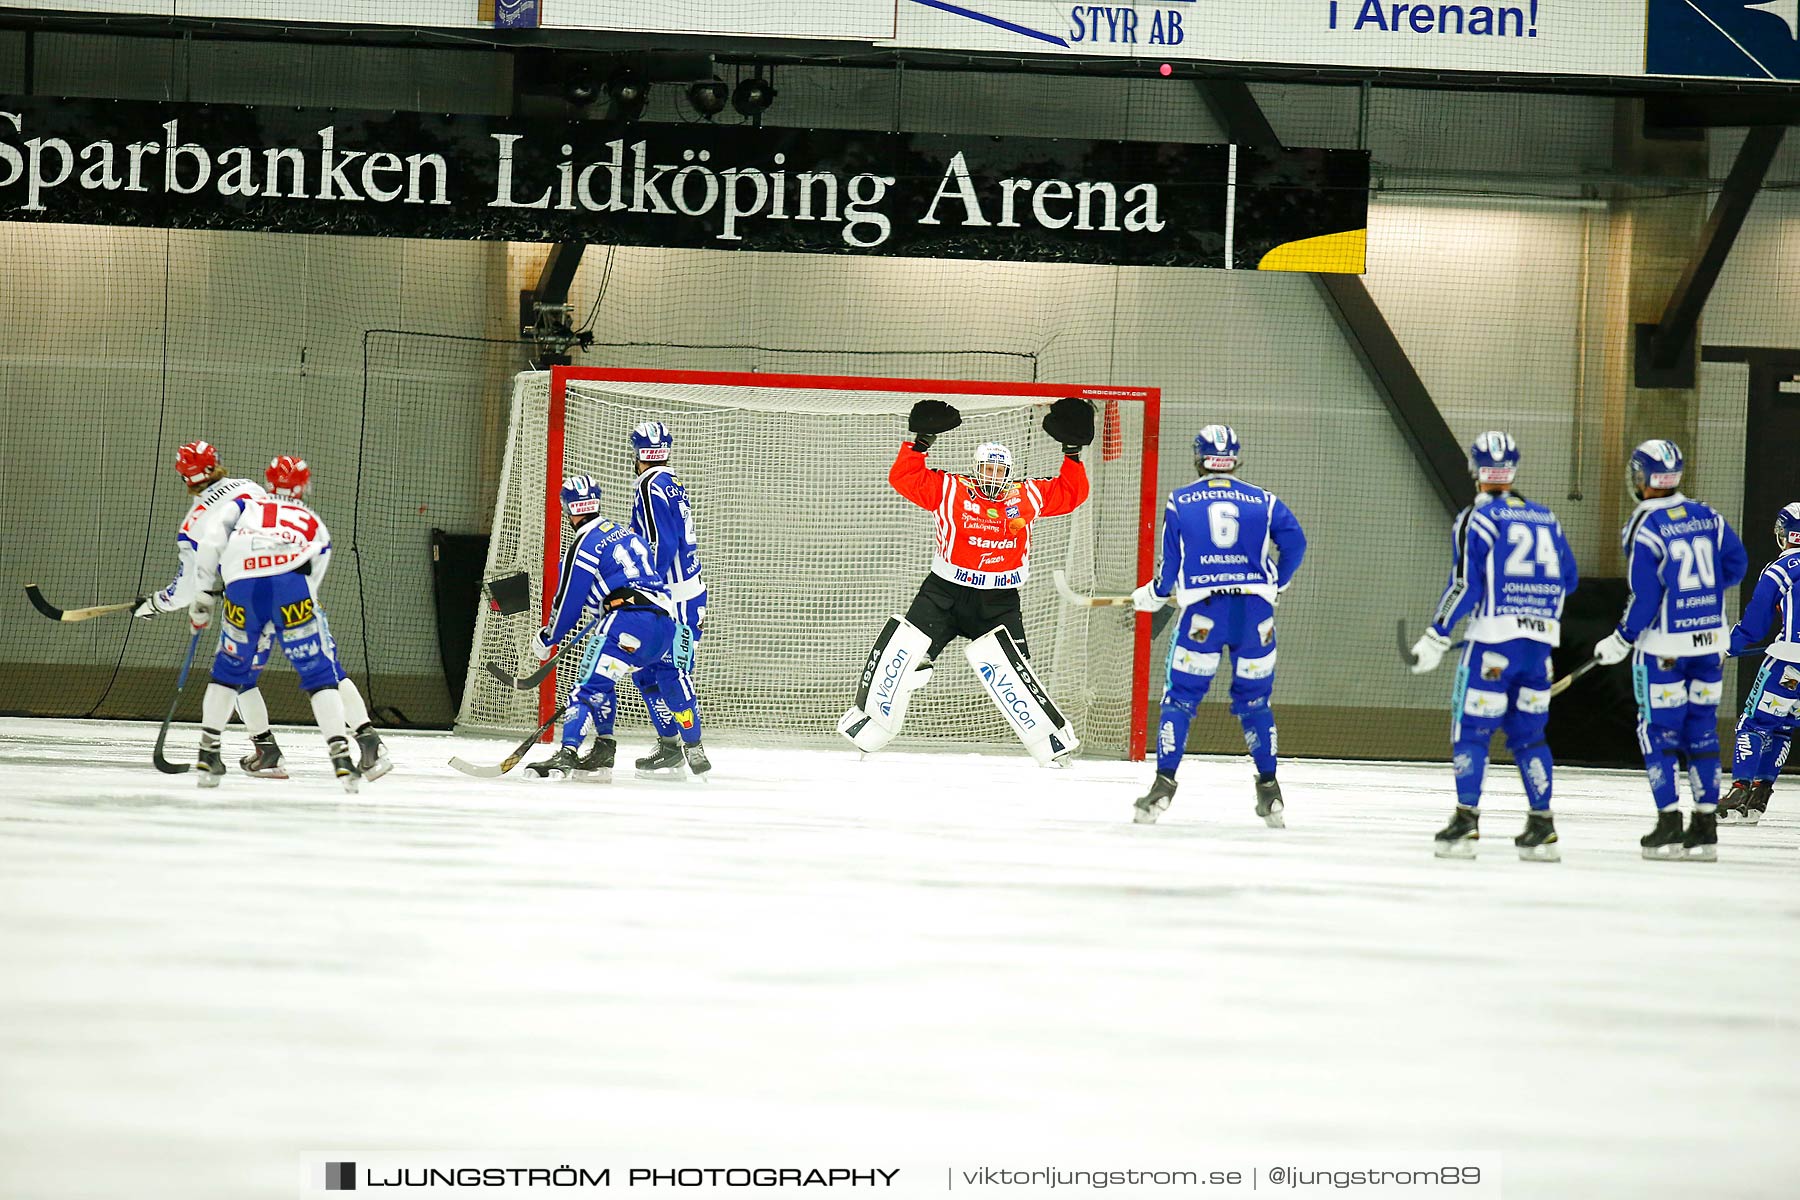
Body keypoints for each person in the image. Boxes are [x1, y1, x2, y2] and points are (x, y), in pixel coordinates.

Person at [838, 397, 1094, 765]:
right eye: (986, 468)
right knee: (905, 659)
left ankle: (1053, 746)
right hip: (943, 594)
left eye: (999, 470)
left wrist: (1072, 453)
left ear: (1009, 472)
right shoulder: (951, 489)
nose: (992, 475)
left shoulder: (1028, 494)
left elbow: (1072, 493)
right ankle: (868, 729)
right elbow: (904, 478)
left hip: (998, 601)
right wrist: (921, 440)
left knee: (1017, 675)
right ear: (975, 469)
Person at [1410, 432, 1578, 861]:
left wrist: (1437, 632)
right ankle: (1542, 825)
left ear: (1475, 469)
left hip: (1491, 647)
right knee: (1530, 737)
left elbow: (1465, 583)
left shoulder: (1476, 518)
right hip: (1540, 648)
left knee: (1472, 731)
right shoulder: (1548, 519)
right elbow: (1570, 580)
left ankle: (1466, 822)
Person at [1130, 424, 1306, 827]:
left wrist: (1153, 594)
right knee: (1255, 702)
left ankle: (1163, 787)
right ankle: (1270, 790)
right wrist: (1277, 580)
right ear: (1235, 458)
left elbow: (1169, 569)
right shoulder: (1263, 500)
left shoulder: (1180, 501)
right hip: (1256, 616)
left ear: (1199, 457)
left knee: (1180, 699)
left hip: (1204, 615)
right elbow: (1295, 542)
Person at [1591, 440, 1746, 861]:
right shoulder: (1707, 515)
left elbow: (1645, 595)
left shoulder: (1644, 524)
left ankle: (1669, 824)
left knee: (1657, 732)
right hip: (1710, 643)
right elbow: (1737, 564)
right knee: (1702, 731)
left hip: (1663, 648)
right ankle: (1705, 826)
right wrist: (1702, 599)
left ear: (1641, 478)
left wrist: (1622, 638)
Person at [189, 456, 362, 792]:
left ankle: (208, 753)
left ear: (267, 483)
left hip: (243, 589)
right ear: (304, 485)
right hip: (291, 589)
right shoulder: (309, 517)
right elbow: (320, 556)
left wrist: (204, 597)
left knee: (228, 674)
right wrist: (302, 605)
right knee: (320, 677)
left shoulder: (242, 506)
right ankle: (342, 758)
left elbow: (210, 544)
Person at [523, 474, 709, 781]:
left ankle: (567, 754)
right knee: (668, 678)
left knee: (588, 688)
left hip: (625, 624)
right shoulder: (626, 533)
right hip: (665, 623)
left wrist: (549, 636)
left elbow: (568, 602)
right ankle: (691, 744)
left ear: (568, 509)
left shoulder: (583, 545)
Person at [132, 441, 284, 777]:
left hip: (249, 595)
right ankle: (360, 742)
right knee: (321, 669)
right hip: (292, 583)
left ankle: (218, 754)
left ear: (185, 478)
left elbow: (185, 589)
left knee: (231, 674)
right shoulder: (249, 486)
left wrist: (155, 604)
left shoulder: (193, 523)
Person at [626, 421, 709, 775]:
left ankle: (692, 745)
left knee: (668, 671)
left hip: (670, 598)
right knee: (648, 670)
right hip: (684, 594)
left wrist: (648, 584)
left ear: (639, 454)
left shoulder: (649, 484)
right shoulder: (671, 483)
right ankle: (671, 745)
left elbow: (664, 543)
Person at [1721, 502, 1800, 826]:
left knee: (1753, 724)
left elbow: (1754, 623)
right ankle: (1759, 796)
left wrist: (1726, 647)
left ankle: (1739, 793)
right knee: (1783, 728)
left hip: (1787, 662)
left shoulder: (1782, 568)